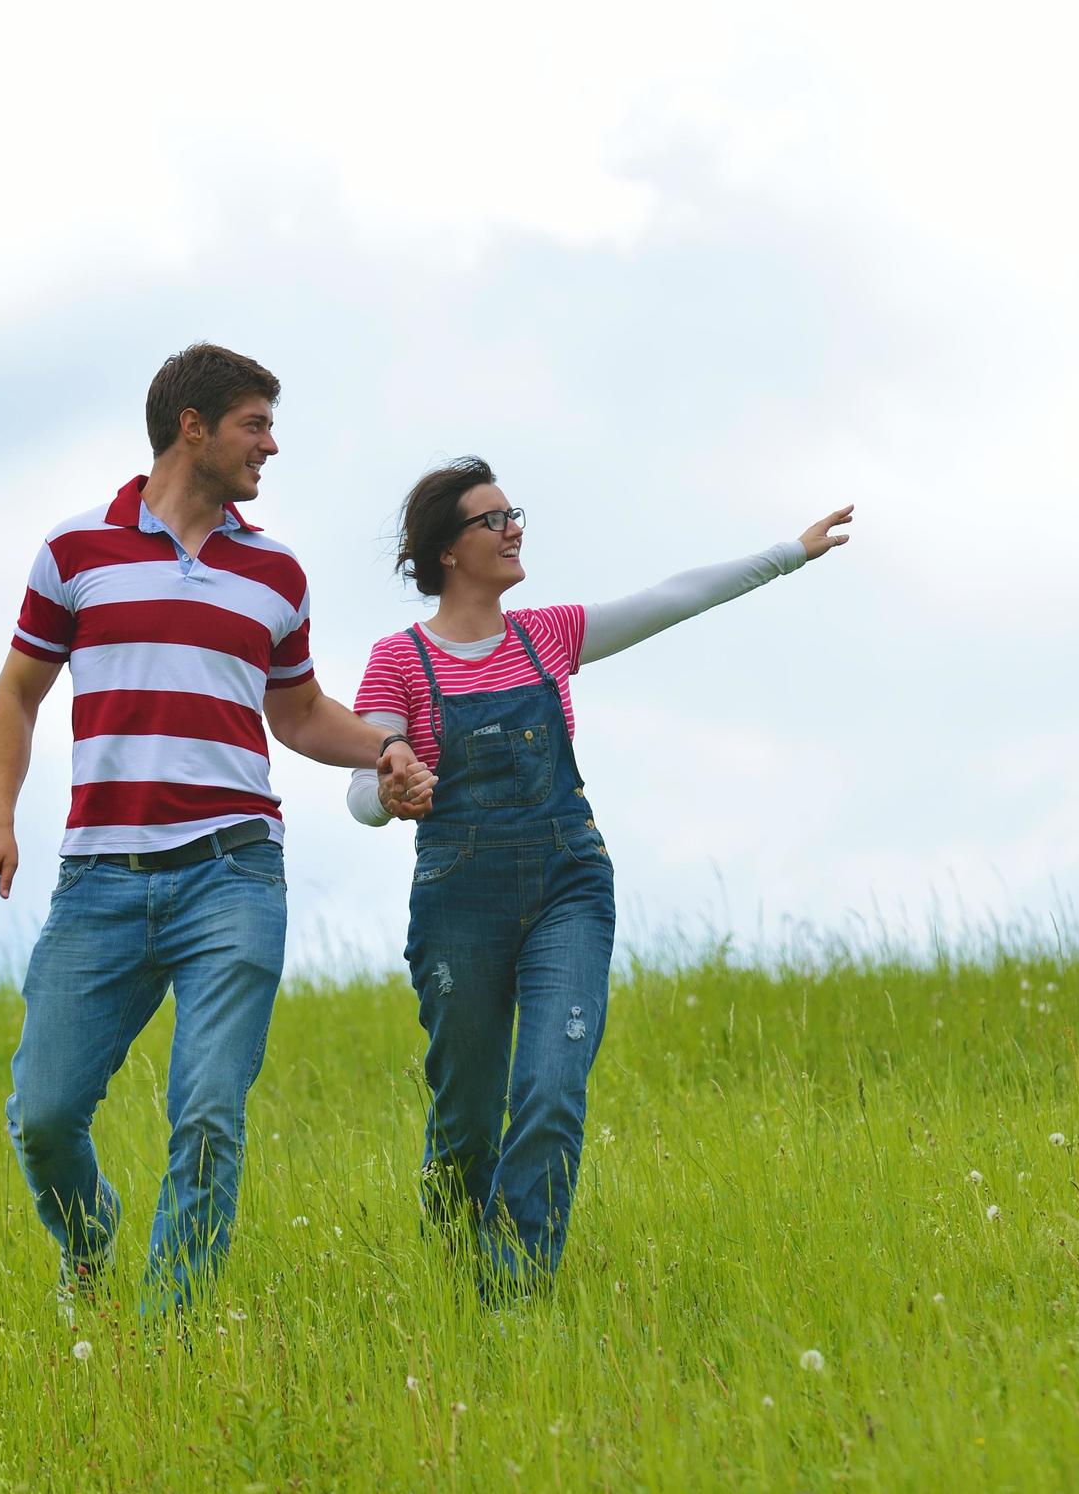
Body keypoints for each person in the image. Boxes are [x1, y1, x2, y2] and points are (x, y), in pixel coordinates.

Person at [0, 343, 432, 1312]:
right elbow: (17, 694)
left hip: (234, 876)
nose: (271, 444)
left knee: (208, 1112)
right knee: (44, 1116)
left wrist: (381, 745)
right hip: (102, 877)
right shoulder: (74, 553)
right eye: (255, 424)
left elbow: (296, 713)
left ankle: (168, 1341)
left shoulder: (276, 573)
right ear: (193, 428)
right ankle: (88, 1240)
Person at [347, 457, 852, 1292]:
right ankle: (454, 1269)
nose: (514, 530)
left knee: (550, 1088)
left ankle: (513, 1295)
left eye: (515, 514)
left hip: (566, 884)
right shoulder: (397, 661)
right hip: (456, 901)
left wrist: (789, 553)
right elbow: (362, 789)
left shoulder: (547, 636)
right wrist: (393, 792)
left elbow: (675, 596)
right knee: (467, 1121)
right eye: (493, 520)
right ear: (446, 550)